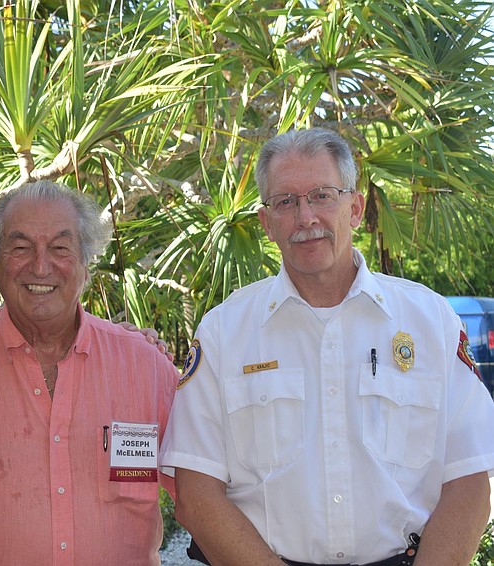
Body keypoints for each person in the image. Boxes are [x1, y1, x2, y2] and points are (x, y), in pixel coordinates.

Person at [160, 127, 494, 566]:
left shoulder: (430, 321)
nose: (305, 217)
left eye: (322, 195)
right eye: (285, 202)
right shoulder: (225, 333)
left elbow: (469, 479)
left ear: (354, 208)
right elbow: (197, 494)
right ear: (266, 223)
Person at [0, 180, 180, 565]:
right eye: (20, 247)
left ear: (86, 262)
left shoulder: (147, 367)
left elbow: (202, 497)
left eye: (60, 248)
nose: (40, 266)